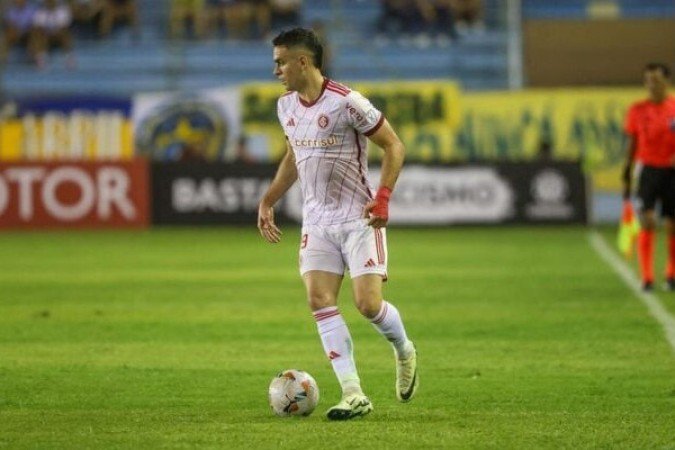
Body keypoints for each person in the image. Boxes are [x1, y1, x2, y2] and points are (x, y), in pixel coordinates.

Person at [257, 27, 418, 421]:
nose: (275, 70)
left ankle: (403, 349)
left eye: (280, 62)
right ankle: (353, 392)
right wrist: (268, 199)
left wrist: (383, 197)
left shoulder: (348, 102)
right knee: (319, 299)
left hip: (358, 219)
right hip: (317, 222)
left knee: (368, 305)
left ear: (302, 61)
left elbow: (394, 145)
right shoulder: (285, 106)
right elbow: (294, 156)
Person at [622, 62, 675, 291]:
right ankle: (647, 277)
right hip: (647, 170)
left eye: (656, 80)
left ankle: (671, 274)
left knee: (672, 224)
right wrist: (627, 171)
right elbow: (632, 143)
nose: (652, 85)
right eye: (648, 81)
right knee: (647, 220)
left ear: (667, 82)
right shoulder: (637, 110)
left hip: (672, 171)